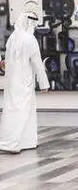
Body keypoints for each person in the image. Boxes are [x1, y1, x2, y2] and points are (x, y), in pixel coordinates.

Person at [0, 13, 49, 153]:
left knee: (11, 111)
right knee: (23, 112)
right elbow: (37, 63)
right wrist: (44, 83)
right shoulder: (30, 39)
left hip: (11, 82)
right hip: (25, 82)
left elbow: (7, 61)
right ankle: (11, 144)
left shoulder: (12, 38)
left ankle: (26, 141)